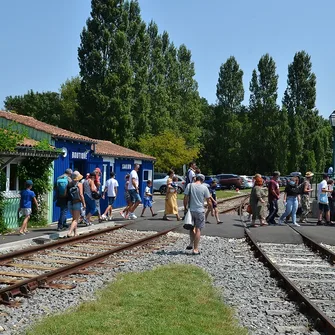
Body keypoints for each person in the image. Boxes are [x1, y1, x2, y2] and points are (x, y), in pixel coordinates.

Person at [183, 174, 212, 255]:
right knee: (198, 229)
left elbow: (185, 198)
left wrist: (185, 207)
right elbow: (209, 200)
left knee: (191, 228)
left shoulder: (190, 185)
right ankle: (195, 249)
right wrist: (210, 208)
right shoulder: (204, 187)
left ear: (196, 178)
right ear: (203, 180)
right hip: (200, 211)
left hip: (191, 210)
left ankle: (191, 243)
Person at [67, 171, 86, 237]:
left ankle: (75, 233)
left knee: (74, 218)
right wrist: (84, 203)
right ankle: (69, 232)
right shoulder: (79, 184)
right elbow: (81, 194)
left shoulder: (69, 184)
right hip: (77, 202)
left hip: (70, 202)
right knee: (76, 219)